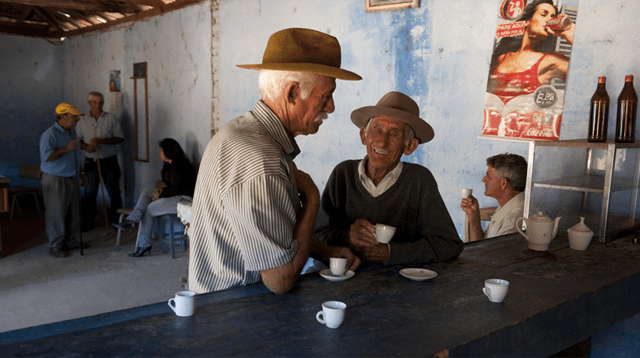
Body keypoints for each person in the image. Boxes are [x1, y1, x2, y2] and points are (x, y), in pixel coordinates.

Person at [188, 28, 362, 294]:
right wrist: (312, 199)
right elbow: (280, 279)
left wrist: (324, 251)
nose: (331, 107)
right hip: (233, 312)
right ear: (292, 93)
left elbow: (268, 235)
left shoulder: (243, 130)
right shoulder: (261, 159)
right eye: (325, 96)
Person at [315, 91, 464, 267]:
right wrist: (348, 237)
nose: (382, 141)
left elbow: (449, 245)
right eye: (377, 130)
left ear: (410, 146)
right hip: (342, 279)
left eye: (394, 134)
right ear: (364, 135)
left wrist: (392, 253)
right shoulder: (344, 173)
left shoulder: (419, 180)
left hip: (397, 285)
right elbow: (315, 237)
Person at [114, 138, 197, 257]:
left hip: (183, 199)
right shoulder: (169, 164)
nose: (159, 152)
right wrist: (160, 192)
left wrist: (161, 194)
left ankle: (144, 245)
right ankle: (132, 220)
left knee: (149, 209)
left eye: (161, 150)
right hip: (173, 195)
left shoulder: (179, 167)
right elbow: (169, 185)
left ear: (168, 151)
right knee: (148, 191)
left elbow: (176, 190)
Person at [487, 0, 574, 104]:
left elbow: (585, 77)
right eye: (543, 14)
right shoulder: (503, 57)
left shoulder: (551, 60)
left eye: (552, 17)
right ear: (528, 20)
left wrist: (571, 35)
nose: (548, 20)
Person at [39, 103, 87, 258]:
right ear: (63, 117)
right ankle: (55, 246)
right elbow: (47, 157)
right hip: (55, 180)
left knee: (73, 213)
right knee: (56, 214)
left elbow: (76, 155)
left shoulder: (72, 132)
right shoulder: (50, 134)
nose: (77, 119)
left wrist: (81, 172)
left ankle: (71, 242)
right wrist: (66, 148)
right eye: (74, 116)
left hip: (72, 177)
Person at [77, 91, 124, 229]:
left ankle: (116, 222)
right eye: (94, 102)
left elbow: (119, 138)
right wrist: (87, 147)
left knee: (114, 193)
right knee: (89, 193)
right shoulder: (82, 120)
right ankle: (88, 223)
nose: (97, 105)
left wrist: (101, 141)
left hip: (109, 161)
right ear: (89, 103)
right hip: (90, 162)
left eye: (100, 102)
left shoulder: (110, 118)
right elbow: (78, 141)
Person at [460, 153, 527, 242]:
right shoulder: (506, 208)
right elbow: (481, 246)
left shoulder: (514, 219)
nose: (483, 179)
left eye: (489, 176)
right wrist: (474, 216)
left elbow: (486, 254)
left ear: (503, 183)